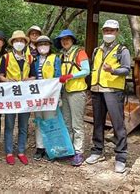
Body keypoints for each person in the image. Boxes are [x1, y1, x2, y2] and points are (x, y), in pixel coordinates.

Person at [85, 20, 130, 174]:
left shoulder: (122, 50)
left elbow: (126, 69)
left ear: (117, 32)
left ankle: (121, 157)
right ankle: (97, 151)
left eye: (111, 31)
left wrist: (113, 70)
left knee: (117, 123)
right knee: (98, 122)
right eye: (106, 30)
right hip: (97, 89)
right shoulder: (97, 50)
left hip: (113, 90)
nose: (108, 33)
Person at [0, 30, 36, 165]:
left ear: (25, 43)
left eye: (21, 41)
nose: (19, 43)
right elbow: (0, 75)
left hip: (25, 97)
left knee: (23, 125)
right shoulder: (6, 57)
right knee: (9, 125)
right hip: (10, 96)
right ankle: (9, 152)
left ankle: (21, 151)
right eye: (16, 41)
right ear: (12, 43)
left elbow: (34, 75)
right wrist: (7, 80)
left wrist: (29, 79)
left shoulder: (30, 58)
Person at [53, 29, 90, 166]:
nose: (65, 41)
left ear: (72, 40)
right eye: (62, 39)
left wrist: (71, 76)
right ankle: (69, 150)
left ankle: (78, 152)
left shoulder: (79, 52)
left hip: (77, 91)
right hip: (65, 92)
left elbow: (86, 70)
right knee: (67, 122)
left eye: (67, 38)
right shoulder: (62, 56)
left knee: (77, 123)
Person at [31, 36, 61, 161]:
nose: (43, 46)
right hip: (38, 96)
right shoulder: (34, 60)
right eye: (40, 44)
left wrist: (57, 95)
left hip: (50, 95)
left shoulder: (55, 59)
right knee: (39, 121)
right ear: (36, 47)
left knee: (50, 121)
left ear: (50, 45)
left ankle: (52, 147)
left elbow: (58, 76)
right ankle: (40, 147)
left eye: (45, 44)